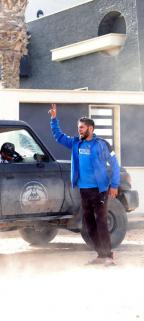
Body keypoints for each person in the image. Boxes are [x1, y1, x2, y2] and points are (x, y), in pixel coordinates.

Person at [49, 103, 119, 265]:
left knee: (101, 221)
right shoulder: (75, 143)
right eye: (78, 127)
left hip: (99, 190)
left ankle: (108, 256)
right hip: (84, 190)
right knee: (89, 224)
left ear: (91, 129)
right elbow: (59, 137)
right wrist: (54, 119)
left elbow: (115, 165)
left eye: (82, 127)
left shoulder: (102, 144)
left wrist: (114, 185)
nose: (79, 130)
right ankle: (100, 255)